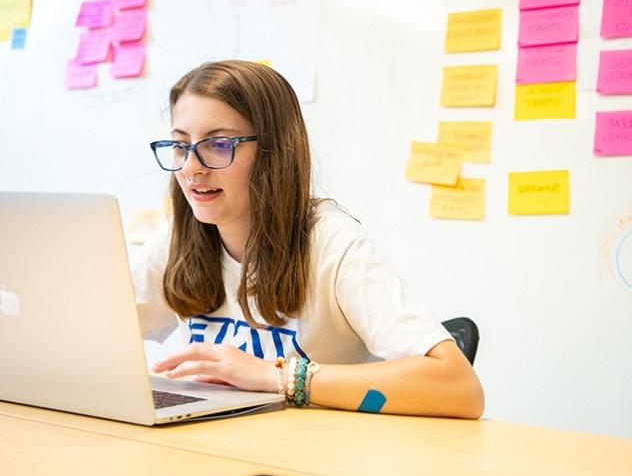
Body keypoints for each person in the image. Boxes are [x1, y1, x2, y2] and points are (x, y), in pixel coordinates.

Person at [133, 60, 484, 417]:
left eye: (219, 145)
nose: (192, 167)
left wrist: (278, 377)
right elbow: (91, 330)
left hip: (311, 456)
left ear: (273, 153)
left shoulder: (332, 244)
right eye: (180, 146)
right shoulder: (179, 237)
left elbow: (459, 387)